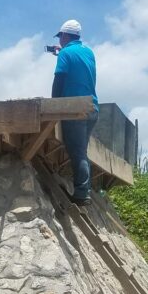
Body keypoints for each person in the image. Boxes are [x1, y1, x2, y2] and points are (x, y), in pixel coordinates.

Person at [47, 19, 99, 205]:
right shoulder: (88, 52)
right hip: (92, 107)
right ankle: (84, 190)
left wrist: (54, 106)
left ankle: (81, 194)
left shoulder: (66, 53)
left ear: (66, 36)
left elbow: (59, 80)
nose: (60, 40)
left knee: (77, 152)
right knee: (82, 151)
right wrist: (62, 53)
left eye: (61, 36)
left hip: (75, 109)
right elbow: (78, 67)